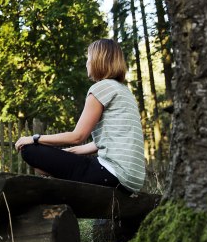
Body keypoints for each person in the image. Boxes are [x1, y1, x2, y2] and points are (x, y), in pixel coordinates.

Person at [14, 39, 146, 193]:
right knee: (54, 159)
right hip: (132, 181)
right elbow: (98, 144)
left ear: (98, 60)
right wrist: (67, 153)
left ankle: (57, 191)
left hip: (111, 174)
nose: (87, 63)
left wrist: (34, 138)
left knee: (30, 150)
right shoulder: (125, 92)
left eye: (88, 58)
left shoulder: (101, 88)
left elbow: (77, 136)